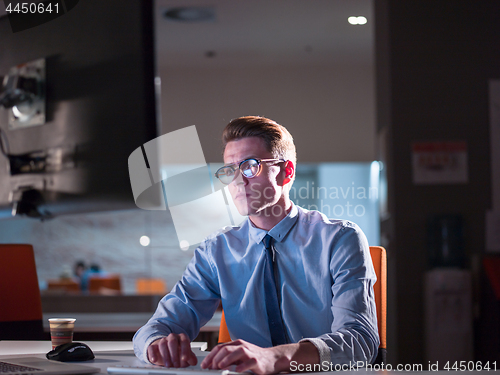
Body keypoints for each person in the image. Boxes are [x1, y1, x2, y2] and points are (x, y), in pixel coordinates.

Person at [133, 116, 379, 374]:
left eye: (250, 166)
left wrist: (274, 358)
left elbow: (359, 342)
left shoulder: (340, 239)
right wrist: (156, 344)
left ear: (286, 172)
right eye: (229, 170)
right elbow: (156, 328)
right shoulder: (216, 251)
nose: (238, 180)